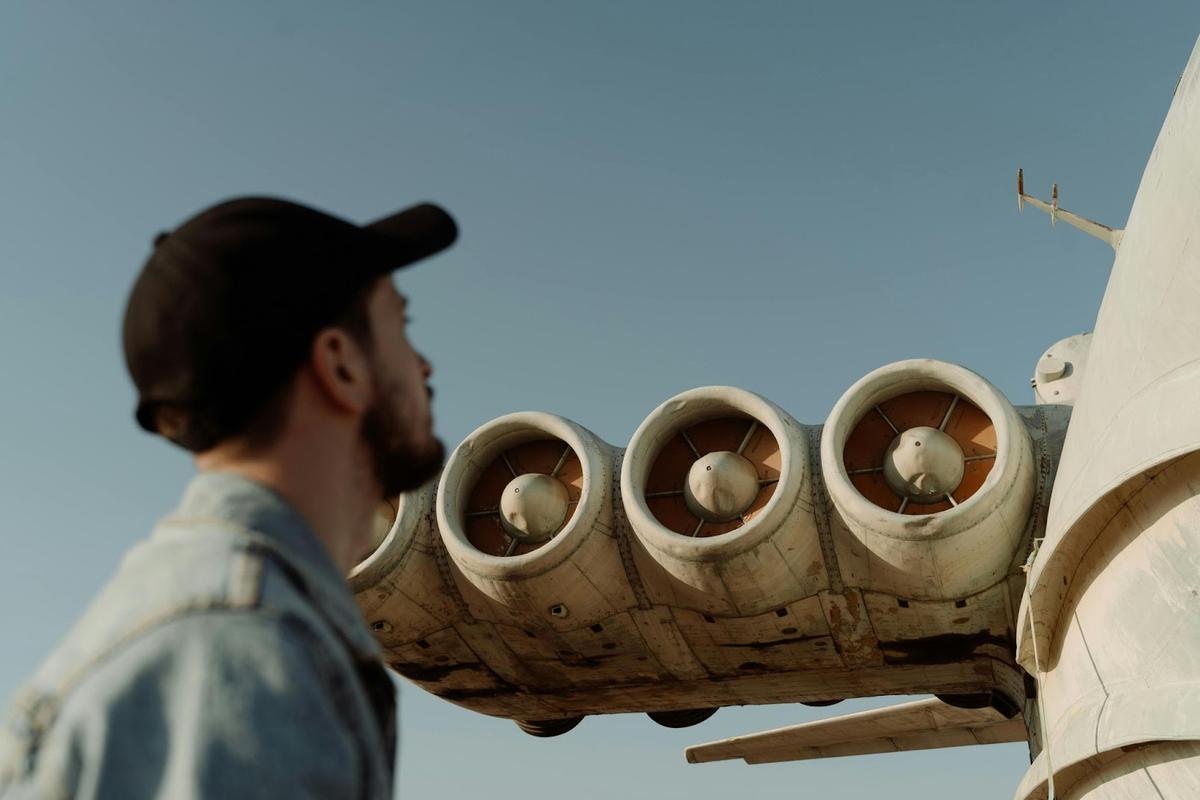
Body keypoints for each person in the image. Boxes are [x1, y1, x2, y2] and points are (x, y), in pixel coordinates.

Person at [0, 196, 457, 798]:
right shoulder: (245, 659)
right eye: (402, 324)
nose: (424, 365)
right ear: (341, 366)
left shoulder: (218, 625)